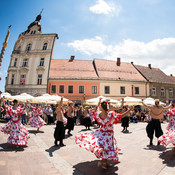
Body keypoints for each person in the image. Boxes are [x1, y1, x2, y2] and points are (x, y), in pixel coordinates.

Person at [75, 98, 132, 169]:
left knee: (104, 147)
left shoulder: (100, 113)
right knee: (107, 148)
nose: (113, 107)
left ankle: (105, 161)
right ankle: (102, 162)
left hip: (103, 132)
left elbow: (98, 109)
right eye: (111, 106)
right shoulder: (111, 114)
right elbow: (121, 116)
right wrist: (129, 110)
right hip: (108, 134)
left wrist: (99, 103)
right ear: (108, 107)